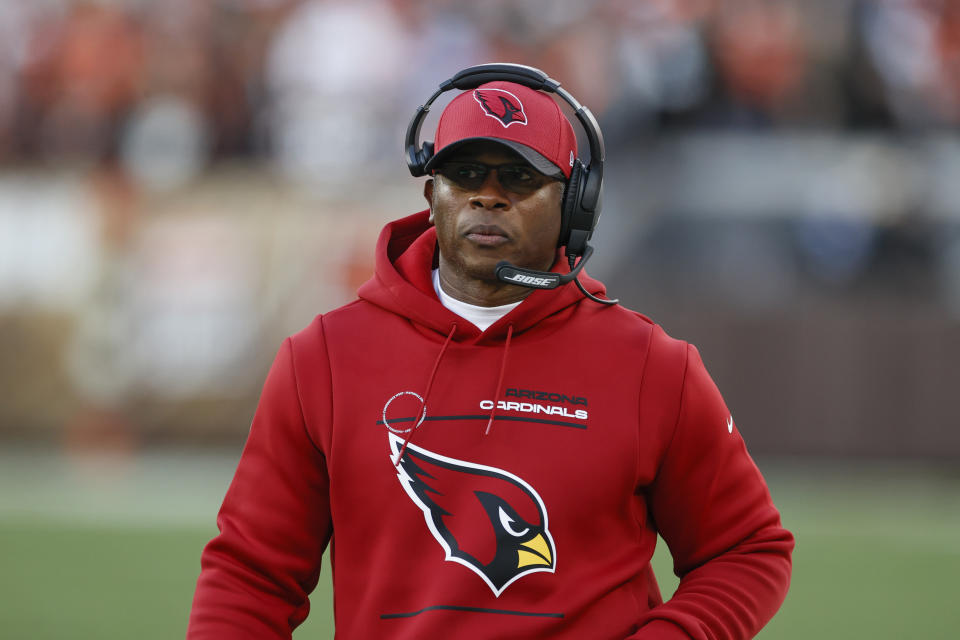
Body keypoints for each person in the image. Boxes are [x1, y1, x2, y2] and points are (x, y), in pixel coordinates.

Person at [187, 64, 793, 639]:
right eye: (467, 174)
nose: (488, 197)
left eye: (521, 178)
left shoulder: (651, 366)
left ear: (576, 204)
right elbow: (251, 575)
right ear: (432, 194)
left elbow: (746, 550)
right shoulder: (321, 357)